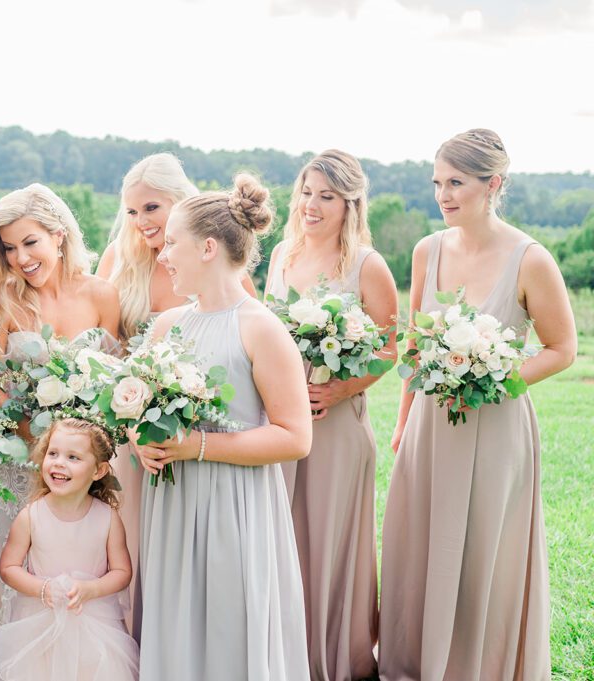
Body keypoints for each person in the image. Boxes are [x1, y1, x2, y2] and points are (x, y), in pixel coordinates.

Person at [379, 129, 576, 681]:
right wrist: (402, 424)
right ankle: (417, 663)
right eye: (437, 183)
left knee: (484, 552)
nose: (443, 195)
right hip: (430, 425)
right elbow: (414, 346)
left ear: (492, 184)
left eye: (456, 183)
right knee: (420, 547)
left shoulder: (530, 258)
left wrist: (496, 376)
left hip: (496, 426)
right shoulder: (427, 249)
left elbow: (563, 349)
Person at [134, 174, 312, 680]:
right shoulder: (169, 325)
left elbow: (295, 437)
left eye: (171, 242)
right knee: (178, 621)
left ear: (208, 247)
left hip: (234, 504)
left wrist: (197, 446)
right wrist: (139, 441)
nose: (162, 254)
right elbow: (136, 412)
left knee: (230, 622)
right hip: (173, 502)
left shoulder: (260, 328)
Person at [96, 153, 259, 635]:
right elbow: (100, 340)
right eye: (131, 212)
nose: (141, 222)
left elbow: (241, 348)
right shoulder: (117, 260)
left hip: (200, 432)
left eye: (151, 208)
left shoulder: (221, 268)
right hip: (134, 428)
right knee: (130, 541)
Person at [264, 150, 397, 680]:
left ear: (350, 203)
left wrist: (341, 390)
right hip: (280, 423)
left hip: (336, 424)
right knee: (285, 537)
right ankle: (285, 655)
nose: (311, 205)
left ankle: (336, 659)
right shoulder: (280, 255)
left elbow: (391, 347)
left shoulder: (367, 264)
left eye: (326, 196)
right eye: (306, 192)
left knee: (331, 540)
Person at [0, 183, 121, 624]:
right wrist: (38, 442)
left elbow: (114, 383)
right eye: (9, 248)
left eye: (30, 242)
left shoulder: (101, 295)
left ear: (58, 234)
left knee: (83, 579)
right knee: (21, 584)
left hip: (84, 472)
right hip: (21, 470)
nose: (20, 258)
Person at [0, 417, 139, 680]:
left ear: (98, 471)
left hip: (95, 629)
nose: (59, 463)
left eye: (73, 457)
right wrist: (43, 589)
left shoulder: (107, 518)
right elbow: (8, 568)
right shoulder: (31, 516)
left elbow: (122, 571)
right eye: (53, 453)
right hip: (39, 628)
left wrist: (92, 589)